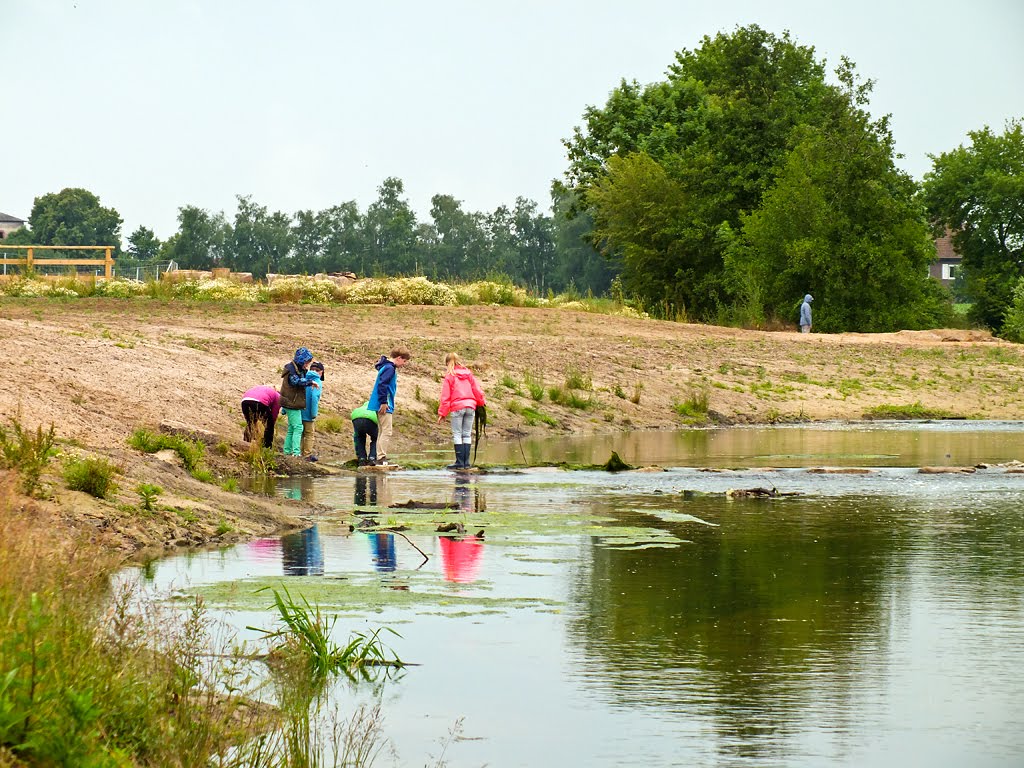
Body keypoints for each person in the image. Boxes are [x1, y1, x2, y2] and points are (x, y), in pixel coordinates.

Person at [437, 352, 486, 469]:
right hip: (470, 406)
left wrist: (442, 413)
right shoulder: (469, 374)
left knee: (457, 434)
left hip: (457, 407)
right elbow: (477, 390)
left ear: (447, 363)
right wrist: (481, 403)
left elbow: (445, 397)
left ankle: (459, 462)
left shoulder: (450, 376)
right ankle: (466, 463)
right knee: (467, 434)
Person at [366, 346, 411, 466]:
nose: (404, 364)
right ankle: (381, 457)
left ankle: (379, 456)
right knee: (387, 431)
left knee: (383, 430)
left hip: (381, 402)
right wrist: (384, 402)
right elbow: (382, 385)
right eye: (404, 361)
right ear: (399, 358)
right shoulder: (390, 368)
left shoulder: (386, 367)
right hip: (384, 403)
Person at [280, 347, 320, 457]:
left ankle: (287, 451)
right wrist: (310, 382)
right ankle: (296, 453)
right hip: (291, 403)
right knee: (298, 427)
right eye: (307, 362)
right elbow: (296, 382)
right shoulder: (292, 370)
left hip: (290, 402)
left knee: (292, 428)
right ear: (302, 360)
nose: (307, 365)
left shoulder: (297, 369)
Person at [240, 384, 281, 449]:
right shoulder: (277, 395)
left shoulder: (262, 388)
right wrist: (272, 423)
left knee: (251, 422)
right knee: (269, 425)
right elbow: (274, 413)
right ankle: (267, 447)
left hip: (245, 401)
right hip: (259, 402)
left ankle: (246, 442)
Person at [300, 361, 324, 462]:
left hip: (298, 411)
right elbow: (314, 398)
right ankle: (307, 454)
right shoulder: (317, 382)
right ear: (321, 372)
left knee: (299, 433)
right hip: (308, 413)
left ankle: (297, 452)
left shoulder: (303, 379)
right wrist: (313, 413)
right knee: (309, 434)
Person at [351, 400, 379, 467]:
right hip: (371, 419)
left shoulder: (359, 409)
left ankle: (362, 459)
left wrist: (358, 454)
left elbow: (355, 436)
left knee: (359, 438)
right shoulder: (375, 409)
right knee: (376, 438)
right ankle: (372, 458)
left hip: (355, 417)